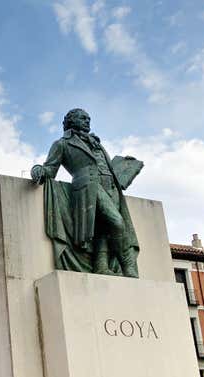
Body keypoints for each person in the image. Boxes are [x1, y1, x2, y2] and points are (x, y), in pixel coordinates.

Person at [31, 108, 139, 277]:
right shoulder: (62, 143)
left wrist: (125, 166)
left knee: (103, 228)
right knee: (117, 222)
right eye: (82, 118)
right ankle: (128, 266)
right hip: (88, 186)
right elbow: (50, 168)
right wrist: (38, 170)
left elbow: (105, 166)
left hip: (111, 185)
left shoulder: (97, 143)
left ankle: (101, 265)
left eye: (88, 118)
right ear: (71, 120)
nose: (87, 121)